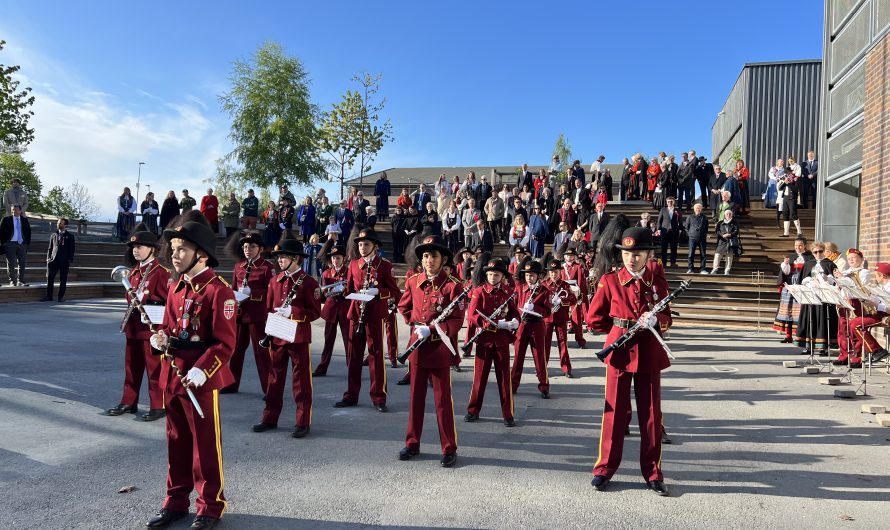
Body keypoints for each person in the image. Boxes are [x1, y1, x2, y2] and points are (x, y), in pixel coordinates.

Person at [145, 216, 236, 530]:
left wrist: (202, 371)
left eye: (182, 248)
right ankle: (175, 501)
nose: (174, 254)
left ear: (202, 254)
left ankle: (211, 505)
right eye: (172, 248)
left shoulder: (219, 291)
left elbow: (225, 344)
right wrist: (161, 340)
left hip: (200, 380)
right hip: (173, 375)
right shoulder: (175, 287)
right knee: (176, 441)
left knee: (205, 445)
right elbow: (171, 329)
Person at [586, 226, 672, 496]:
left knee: (650, 416)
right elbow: (593, 319)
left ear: (648, 254)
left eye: (637, 254)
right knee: (613, 413)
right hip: (619, 351)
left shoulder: (657, 282)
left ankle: (653, 472)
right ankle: (605, 468)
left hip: (648, 351)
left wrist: (657, 321)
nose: (631, 259)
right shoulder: (610, 281)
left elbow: (668, 318)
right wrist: (617, 328)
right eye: (626, 253)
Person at [396, 235, 466, 467]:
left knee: (442, 401)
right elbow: (403, 306)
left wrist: (435, 330)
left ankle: (448, 447)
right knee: (415, 399)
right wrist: (414, 324)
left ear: (443, 259)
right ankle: (412, 443)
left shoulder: (453, 285)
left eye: (433, 256)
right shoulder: (414, 281)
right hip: (417, 349)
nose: (429, 260)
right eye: (425, 256)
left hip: (439, 348)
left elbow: (456, 319)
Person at [251, 232, 321, 438]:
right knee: (274, 379)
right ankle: (269, 417)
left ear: (295, 258)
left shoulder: (309, 283)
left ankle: (302, 421)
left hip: (298, 337)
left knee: (301, 382)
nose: (279, 260)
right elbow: (268, 307)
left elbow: (316, 312)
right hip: (278, 336)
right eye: (278, 257)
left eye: (283, 256)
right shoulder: (275, 281)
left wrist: (294, 312)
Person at [103, 223, 171, 421]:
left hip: (151, 330)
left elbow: (169, 303)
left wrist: (148, 300)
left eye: (140, 246)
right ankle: (128, 401)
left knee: (155, 369)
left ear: (153, 249)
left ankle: (159, 405)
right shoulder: (132, 272)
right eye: (133, 247)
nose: (135, 250)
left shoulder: (161, 272)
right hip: (133, 327)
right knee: (131, 368)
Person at [336, 228, 400, 411]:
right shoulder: (354, 265)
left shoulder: (384, 265)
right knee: (353, 357)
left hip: (374, 316)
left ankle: (379, 397)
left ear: (375, 246)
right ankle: (351, 394)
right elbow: (348, 290)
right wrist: (344, 292)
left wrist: (379, 292)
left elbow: (395, 292)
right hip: (356, 314)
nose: (362, 248)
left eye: (366, 244)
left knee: (376, 356)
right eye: (360, 244)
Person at [465, 257, 520, 426]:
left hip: (502, 340)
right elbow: (472, 315)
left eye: (496, 275)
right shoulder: (479, 291)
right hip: (484, 340)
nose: (492, 278)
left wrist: (514, 322)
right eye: (490, 274)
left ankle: (508, 414)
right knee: (479, 379)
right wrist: (488, 323)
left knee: (504, 379)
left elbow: (514, 313)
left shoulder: (509, 293)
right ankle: (473, 411)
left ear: (502, 276)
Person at [224, 230, 275, 395]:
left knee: (261, 353)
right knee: (236, 350)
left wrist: (251, 294)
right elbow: (232, 289)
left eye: (252, 246)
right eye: (245, 246)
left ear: (260, 248)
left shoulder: (267, 267)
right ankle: (231, 384)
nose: (248, 249)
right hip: (239, 315)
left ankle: (269, 388)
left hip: (257, 316)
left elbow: (271, 292)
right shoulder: (238, 266)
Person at [510, 260, 553, 398]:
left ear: (538, 276)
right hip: (522, 325)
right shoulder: (519, 288)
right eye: (527, 275)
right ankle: (513, 385)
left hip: (537, 326)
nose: (529, 277)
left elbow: (548, 311)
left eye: (532, 275)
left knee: (539, 358)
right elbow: (513, 307)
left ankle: (544, 386)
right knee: (518, 358)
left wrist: (535, 308)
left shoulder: (544, 290)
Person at [794, 241, 838, 355]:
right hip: (811, 296)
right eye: (815, 252)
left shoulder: (830, 264)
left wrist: (827, 279)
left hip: (824, 297)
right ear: (812, 253)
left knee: (823, 320)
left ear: (824, 251)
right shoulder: (809, 263)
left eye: (820, 251)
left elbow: (836, 281)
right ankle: (809, 346)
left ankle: (824, 347)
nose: (818, 254)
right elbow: (801, 280)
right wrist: (808, 281)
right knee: (810, 319)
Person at [833, 248, 873, 367]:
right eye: (849, 258)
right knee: (842, 331)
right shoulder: (845, 271)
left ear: (861, 259)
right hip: (843, 302)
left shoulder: (864, 272)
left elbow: (858, 287)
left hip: (856, 303)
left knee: (854, 330)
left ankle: (857, 357)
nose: (851, 260)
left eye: (854, 258)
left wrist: (842, 279)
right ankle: (844, 355)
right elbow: (839, 286)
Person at [315, 245, 350, 376]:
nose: (335, 260)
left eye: (338, 258)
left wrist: (344, 290)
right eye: (334, 258)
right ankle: (322, 367)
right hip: (331, 309)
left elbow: (352, 289)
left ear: (344, 258)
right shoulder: (326, 273)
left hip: (345, 309)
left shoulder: (349, 272)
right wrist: (328, 292)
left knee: (349, 341)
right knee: (328, 340)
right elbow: (324, 293)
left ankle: (351, 367)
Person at [773, 236, 812, 343]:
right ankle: (788, 335)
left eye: (800, 245)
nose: (797, 248)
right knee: (787, 311)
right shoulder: (791, 257)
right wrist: (785, 264)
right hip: (789, 286)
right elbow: (785, 273)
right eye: (795, 245)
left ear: (805, 246)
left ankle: (798, 336)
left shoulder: (810, 258)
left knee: (798, 312)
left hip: (801, 286)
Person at [543, 260, 577, 378]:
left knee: (563, 343)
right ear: (548, 273)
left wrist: (561, 301)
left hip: (561, 318)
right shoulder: (544, 285)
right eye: (551, 272)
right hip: (547, 318)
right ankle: (543, 368)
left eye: (556, 272)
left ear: (559, 272)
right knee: (545, 345)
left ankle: (566, 368)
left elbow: (573, 299)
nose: (553, 274)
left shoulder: (565, 285)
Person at [41, 218, 76, 302]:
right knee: (50, 278)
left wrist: (69, 260)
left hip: (64, 261)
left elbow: (72, 249)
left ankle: (60, 297)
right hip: (53, 260)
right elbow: (50, 248)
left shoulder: (70, 236)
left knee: (63, 279)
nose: (58, 224)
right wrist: (48, 258)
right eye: (58, 223)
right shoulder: (54, 235)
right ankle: (49, 296)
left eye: (60, 223)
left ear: (65, 225)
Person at [0, 204, 31, 286]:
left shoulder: (24, 220)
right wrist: (4, 243)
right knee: (11, 263)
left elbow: (28, 232)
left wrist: (26, 244)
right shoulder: (6, 219)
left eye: (16, 210)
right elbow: (1, 232)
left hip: (22, 244)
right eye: (13, 210)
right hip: (10, 244)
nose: (14, 211)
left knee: (22, 263)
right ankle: (12, 281)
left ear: (20, 211)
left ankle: (21, 280)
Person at [711, 209, 739, 275]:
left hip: (730, 242)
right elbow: (717, 231)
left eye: (730, 214)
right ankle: (715, 269)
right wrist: (722, 234)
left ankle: (727, 271)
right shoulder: (720, 222)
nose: (728, 215)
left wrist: (730, 234)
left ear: (732, 215)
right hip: (721, 241)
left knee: (729, 257)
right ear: (724, 215)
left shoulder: (734, 222)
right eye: (727, 214)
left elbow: (736, 231)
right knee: (717, 256)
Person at [656, 196, 681, 267]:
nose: (670, 203)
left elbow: (680, 220)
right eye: (668, 201)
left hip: (674, 232)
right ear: (666, 202)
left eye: (671, 201)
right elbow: (659, 220)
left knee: (674, 248)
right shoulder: (663, 209)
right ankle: (663, 263)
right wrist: (658, 229)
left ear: (674, 202)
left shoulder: (677, 210)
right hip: (664, 231)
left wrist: (680, 229)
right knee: (664, 248)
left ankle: (673, 263)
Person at [684, 204, 709, 274]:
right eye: (696, 208)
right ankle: (690, 269)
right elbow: (686, 227)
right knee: (691, 254)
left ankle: (703, 269)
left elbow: (706, 227)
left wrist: (704, 234)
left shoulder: (705, 217)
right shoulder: (690, 217)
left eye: (699, 208)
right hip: (692, 238)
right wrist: (690, 234)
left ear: (701, 209)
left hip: (702, 239)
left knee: (703, 254)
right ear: (694, 209)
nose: (698, 209)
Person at [778, 166, 801, 237]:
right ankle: (786, 233)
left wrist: (789, 183)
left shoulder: (795, 178)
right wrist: (785, 182)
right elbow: (780, 188)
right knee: (785, 214)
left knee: (793, 214)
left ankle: (799, 231)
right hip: (785, 198)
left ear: (791, 172)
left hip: (792, 198)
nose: (787, 174)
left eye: (788, 172)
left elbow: (795, 189)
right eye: (786, 173)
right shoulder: (785, 178)